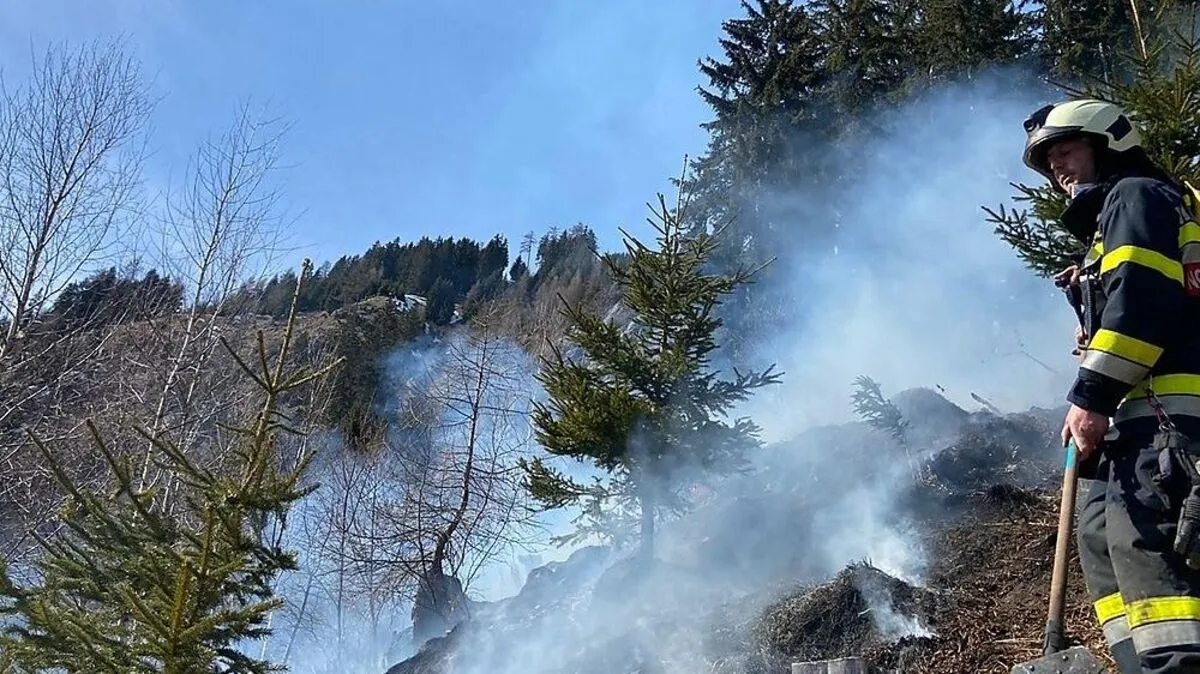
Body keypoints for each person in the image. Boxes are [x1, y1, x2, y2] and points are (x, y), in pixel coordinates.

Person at [1023, 98, 1200, 673]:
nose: (1058, 167)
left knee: (1146, 547)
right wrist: (1089, 294)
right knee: (1100, 538)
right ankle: (1140, 664)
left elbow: (1144, 302)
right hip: (1135, 422)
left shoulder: (1139, 197)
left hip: (1167, 422)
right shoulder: (1117, 220)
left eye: (1066, 150)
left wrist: (1090, 397)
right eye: (1049, 160)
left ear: (1106, 144)